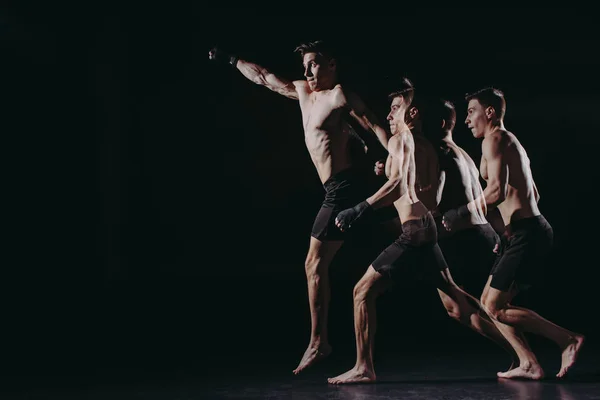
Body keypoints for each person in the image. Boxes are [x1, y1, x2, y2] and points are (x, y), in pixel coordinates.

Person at [208, 41, 392, 374]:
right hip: (337, 189)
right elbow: (264, 77)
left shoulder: (340, 96)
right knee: (405, 245)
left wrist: (396, 156)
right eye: (305, 65)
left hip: (343, 190)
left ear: (331, 64)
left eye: (314, 64)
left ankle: (319, 341)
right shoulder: (303, 92)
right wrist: (232, 60)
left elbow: (375, 124)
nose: (307, 70)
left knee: (313, 263)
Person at [327, 81, 515, 385]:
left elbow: (401, 183)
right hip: (427, 230)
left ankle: (363, 367)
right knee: (457, 306)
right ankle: (522, 353)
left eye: (396, 108)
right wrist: (386, 169)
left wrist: (360, 208)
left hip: (414, 233)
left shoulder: (402, 141)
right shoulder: (424, 144)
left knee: (361, 292)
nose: (389, 115)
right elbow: (428, 196)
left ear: (411, 112)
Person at [443, 87, 584, 379]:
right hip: (522, 232)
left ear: (490, 112)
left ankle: (567, 339)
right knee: (489, 303)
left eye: (471, 112)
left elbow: (496, 191)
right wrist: (504, 230)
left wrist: (461, 213)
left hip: (529, 233)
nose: (467, 120)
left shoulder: (495, 139)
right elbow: (532, 191)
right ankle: (529, 363)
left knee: (493, 306)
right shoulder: (507, 141)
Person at [430, 99, 500, 298]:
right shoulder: (465, 155)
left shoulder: (440, 151)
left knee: (465, 310)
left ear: (440, 123)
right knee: (486, 309)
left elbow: (434, 200)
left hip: (465, 241)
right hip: (486, 234)